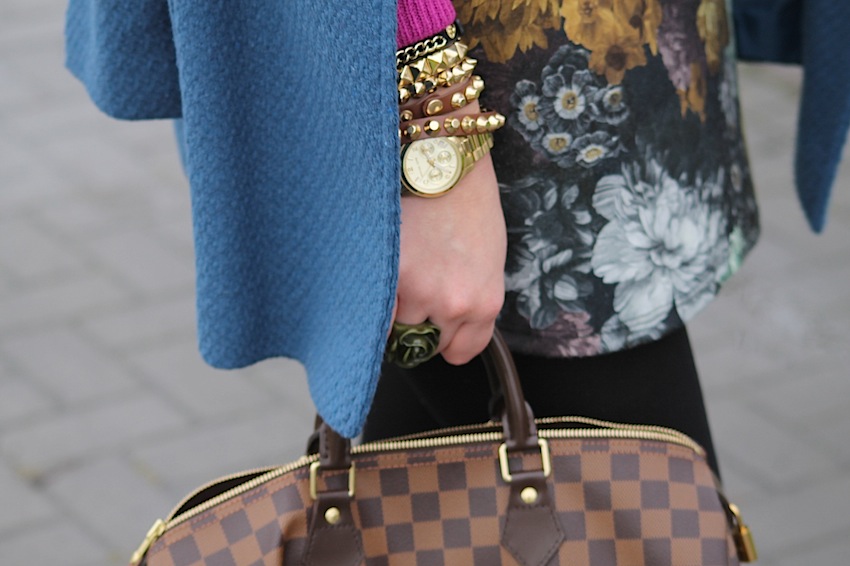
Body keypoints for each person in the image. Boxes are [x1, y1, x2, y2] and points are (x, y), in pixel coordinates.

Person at [65, 1, 847, 479]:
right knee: (625, 508)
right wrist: (424, 129)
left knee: (435, 479)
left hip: (626, 44)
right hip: (506, 61)